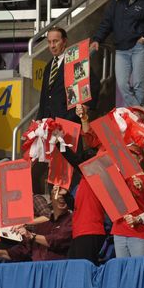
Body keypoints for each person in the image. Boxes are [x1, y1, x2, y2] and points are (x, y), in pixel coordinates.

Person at [33, 27, 99, 194]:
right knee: (54, 169)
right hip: (50, 126)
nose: (52, 45)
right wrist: (39, 121)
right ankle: (57, 204)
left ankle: (73, 200)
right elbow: (44, 97)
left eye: (55, 41)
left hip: (69, 123)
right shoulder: (49, 66)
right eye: (49, 42)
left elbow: (94, 85)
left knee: (71, 165)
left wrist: (85, 107)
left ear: (65, 41)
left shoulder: (74, 62)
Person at [0, 185, 72, 262]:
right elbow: (21, 251)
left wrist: (31, 234)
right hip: (37, 270)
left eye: (65, 196)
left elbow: (58, 240)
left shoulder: (70, 220)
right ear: (51, 198)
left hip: (58, 269)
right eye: (58, 195)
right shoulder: (43, 225)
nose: (62, 198)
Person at [112, 144, 144, 257]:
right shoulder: (120, 179)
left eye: (131, 155)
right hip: (119, 231)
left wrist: (138, 219)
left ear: (140, 157)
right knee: (122, 270)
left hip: (139, 233)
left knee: (139, 271)